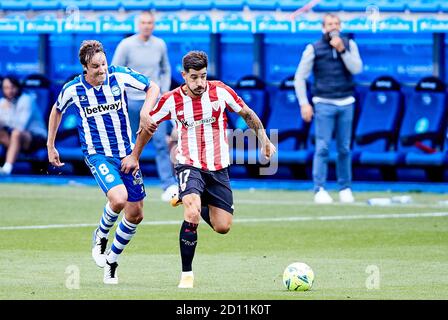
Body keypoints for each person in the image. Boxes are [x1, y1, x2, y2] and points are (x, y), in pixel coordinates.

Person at [121, 51, 276, 289]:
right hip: (188, 163)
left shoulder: (220, 91)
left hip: (218, 167)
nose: (200, 83)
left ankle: (188, 197)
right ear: (184, 75)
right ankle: (186, 274)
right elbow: (148, 127)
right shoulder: (171, 99)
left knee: (223, 227)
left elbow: (247, 113)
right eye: (194, 77)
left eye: (203, 76)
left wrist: (264, 140)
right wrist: (134, 155)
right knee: (192, 214)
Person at [47, 40, 160, 284]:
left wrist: (145, 111)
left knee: (136, 213)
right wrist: (50, 144)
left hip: (126, 153)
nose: (102, 70)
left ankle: (112, 260)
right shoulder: (73, 89)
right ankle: (100, 235)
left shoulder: (118, 76)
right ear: (85, 68)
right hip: (97, 154)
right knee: (118, 198)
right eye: (96, 66)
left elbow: (153, 87)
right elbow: (57, 110)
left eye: (104, 64)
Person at [294, 13, 363, 204]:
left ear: (340, 26)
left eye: (336, 23)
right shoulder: (313, 48)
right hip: (323, 102)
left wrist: (342, 51)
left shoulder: (350, 44)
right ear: (323, 28)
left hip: (346, 102)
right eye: (329, 24)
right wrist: (304, 103)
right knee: (322, 147)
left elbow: (356, 69)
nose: (333, 26)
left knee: (344, 148)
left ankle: (345, 187)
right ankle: (320, 188)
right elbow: (300, 77)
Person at [111, 11, 178, 202]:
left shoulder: (160, 45)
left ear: (154, 25)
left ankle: (168, 185)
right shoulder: (126, 45)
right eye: (143, 22)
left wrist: (163, 91)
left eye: (150, 22)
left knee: (161, 144)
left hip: (155, 103)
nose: (147, 25)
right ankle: (124, 184)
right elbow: (115, 72)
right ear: (137, 24)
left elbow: (166, 69)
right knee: (128, 145)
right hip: (130, 103)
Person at [0, 76, 47, 175]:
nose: (9, 91)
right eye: (6, 88)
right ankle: (14, 150)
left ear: (18, 87)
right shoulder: (2, 102)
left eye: (12, 87)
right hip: (14, 139)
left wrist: (7, 112)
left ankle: (7, 169)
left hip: (37, 137)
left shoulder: (27, 100)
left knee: (16, 134)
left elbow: (20, 126)